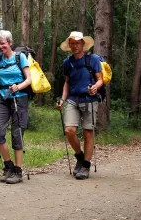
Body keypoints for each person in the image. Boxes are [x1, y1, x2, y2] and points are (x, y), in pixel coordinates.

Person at [0, 30, 31, 184]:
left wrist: (18, 87)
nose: (1, 46)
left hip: (20, 99)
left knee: (17, 135)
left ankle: (18, 171)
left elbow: (29, 79)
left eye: (3, 43)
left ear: (10, 43)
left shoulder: (20, 57)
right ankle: (8, 166)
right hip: (3, 100)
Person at [56, 31, 103, 180]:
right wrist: (62, 99)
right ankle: (80, 157)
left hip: (90, 99)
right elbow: (67, 82)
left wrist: (96, 86)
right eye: (72, 43)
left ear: (83, 44)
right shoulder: (67, 62)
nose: (75, 45)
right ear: (69, 45)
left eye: (77, 42)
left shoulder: (93, 59)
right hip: (73, 99)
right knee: (69, 130)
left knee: (88, 133)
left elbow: (100, 79)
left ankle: (86, 166)